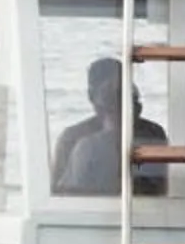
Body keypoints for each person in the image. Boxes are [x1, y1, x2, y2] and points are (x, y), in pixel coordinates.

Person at [49, 57, 168, 196]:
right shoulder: (72, 138)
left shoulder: (153, 133)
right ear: (92, 96)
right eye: (110, 96)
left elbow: (163, 186)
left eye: (120, 93)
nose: (116, 103)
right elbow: (60, 194)